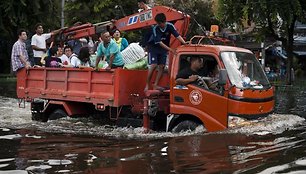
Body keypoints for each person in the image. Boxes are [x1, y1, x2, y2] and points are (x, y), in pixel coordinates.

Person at [145, 13, 186, 91]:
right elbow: (159, 42)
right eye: (158, 23)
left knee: (162, 66)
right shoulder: (155, 28)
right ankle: (147, 84)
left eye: (160, 23)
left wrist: (184, 43)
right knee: (153, 65)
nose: (159, 25)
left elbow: (177, 35)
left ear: (164, 22)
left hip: (163, 48)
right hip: (154, 47)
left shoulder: (170, 26)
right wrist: (170, 50)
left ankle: (156, 85)